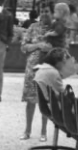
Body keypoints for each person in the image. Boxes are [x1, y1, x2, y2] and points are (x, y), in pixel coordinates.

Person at [20, 10, 54, 139]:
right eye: (43, 10)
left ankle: (44, 131)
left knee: (45, 99)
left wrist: (50, 48)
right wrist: (38, 45)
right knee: (30, 99)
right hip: (32, 68)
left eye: (48, 10)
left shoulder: (55, 28)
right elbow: (23, 47)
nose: (45, 14)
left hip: (48, 68)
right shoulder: (33, 27)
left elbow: (62, 49)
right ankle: (27, 130)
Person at [31, 48, 74, 142]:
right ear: (57, 62)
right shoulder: (53, 72)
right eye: (64, 61)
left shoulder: (40, 69)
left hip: (46, 106)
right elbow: (63, 94)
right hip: (56, 108)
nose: (65, 64)